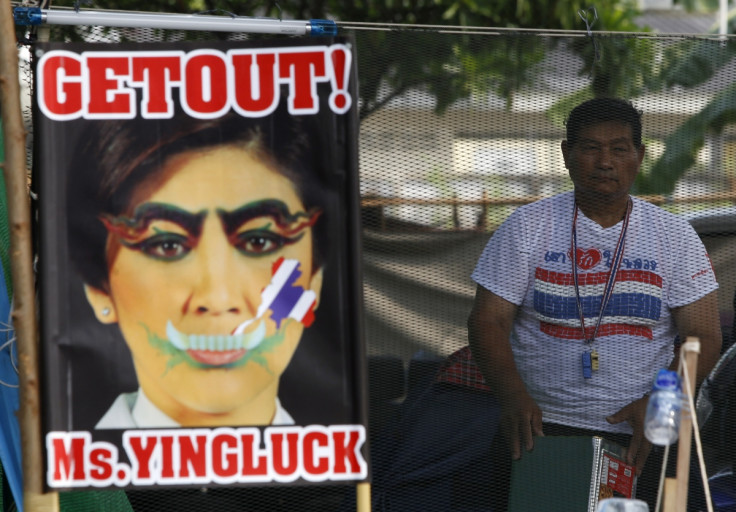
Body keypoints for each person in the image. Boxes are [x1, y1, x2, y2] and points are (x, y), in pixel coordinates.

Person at [467, 97, 722, 508]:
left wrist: (659, 404)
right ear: (566, 155)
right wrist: (512, 395)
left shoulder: (674, 236)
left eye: (619, 149)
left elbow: (703, 335)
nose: (605, 161)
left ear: (638, 156)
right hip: (542, 428)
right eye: (590, 148)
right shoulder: (526, 227)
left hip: (647, 431)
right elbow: (487, 322)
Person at [66, 106, 331, 429]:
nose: (218, 299)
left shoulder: (352, 475)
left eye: (259, 242)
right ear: (99, 289)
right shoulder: (58, 477)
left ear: (314, 279)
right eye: (167, 245)